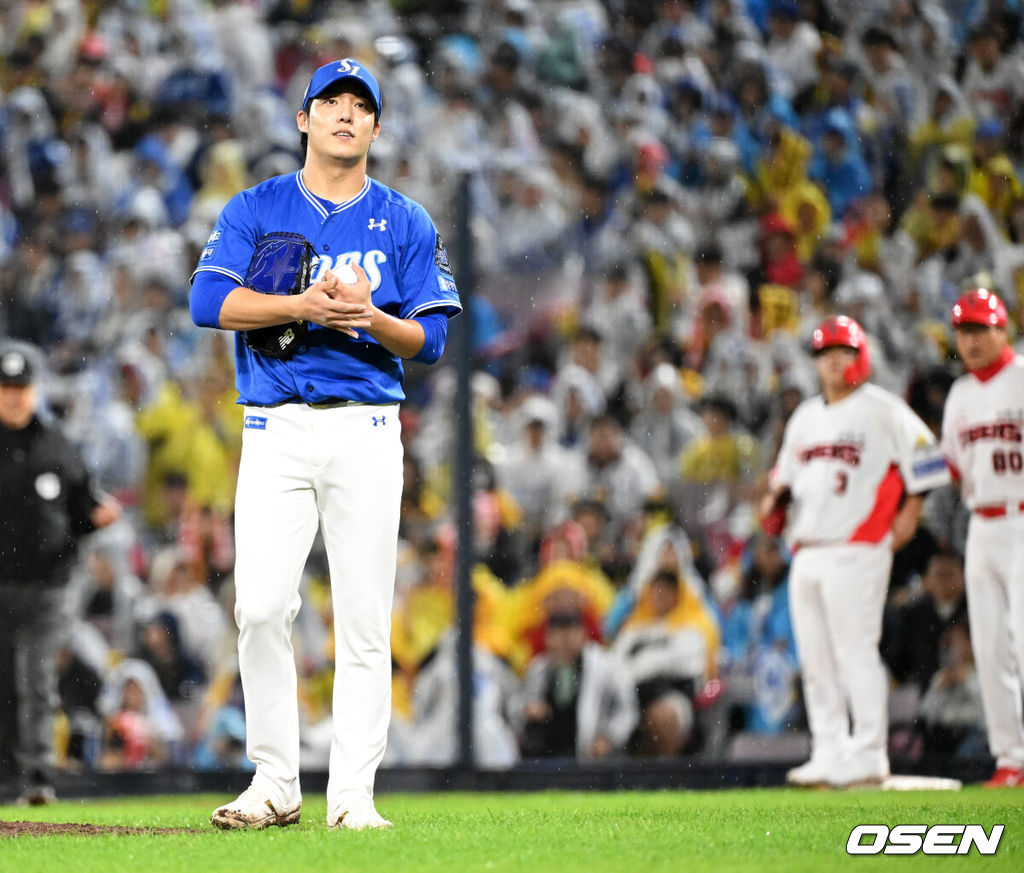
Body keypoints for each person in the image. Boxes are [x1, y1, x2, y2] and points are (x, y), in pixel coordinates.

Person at [189, 58, 461, 830]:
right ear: (303, 119)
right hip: (273, 425)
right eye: (330, 102)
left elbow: (431, 341)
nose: (345, 114)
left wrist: (370, 318)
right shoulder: (257, 205)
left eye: (360, 105)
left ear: (377, 127)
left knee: (365, 620)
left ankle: (351, 796)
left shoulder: (405, 219)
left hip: (366, 426)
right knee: (260, 607)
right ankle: (275, 780)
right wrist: (301, 304)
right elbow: (207, 300)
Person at [760, 315, 950, 788]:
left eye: (844, 352)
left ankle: (867, 751)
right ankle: (828, 751)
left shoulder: (881, 408)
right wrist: (772, 505)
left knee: (855, 652)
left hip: (858, 545)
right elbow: (781, 480)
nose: (835, 362)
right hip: (807, 549)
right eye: (826, 354)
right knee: (816, 657)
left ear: (861, 357)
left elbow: (929, 458)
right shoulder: (805, 417)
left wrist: (908, 516)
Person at [0, 342, 121, 804]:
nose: (14, 397)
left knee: (35, 679)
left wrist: (96, 516)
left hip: (47, 587)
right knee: (5, 682)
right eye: (7, 388)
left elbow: (84, 508)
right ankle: (7, 777)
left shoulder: (57, 446)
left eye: (21, 388)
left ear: (35, 391)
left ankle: (34, 779)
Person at [940, 288, 1024, 788]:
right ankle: (1011, 759)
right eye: (962, 331)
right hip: (982, 526)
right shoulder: (960, 395)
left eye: (978, 329)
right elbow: (948, 465)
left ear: (1002, 329)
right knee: (990, 645)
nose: (969, 340)